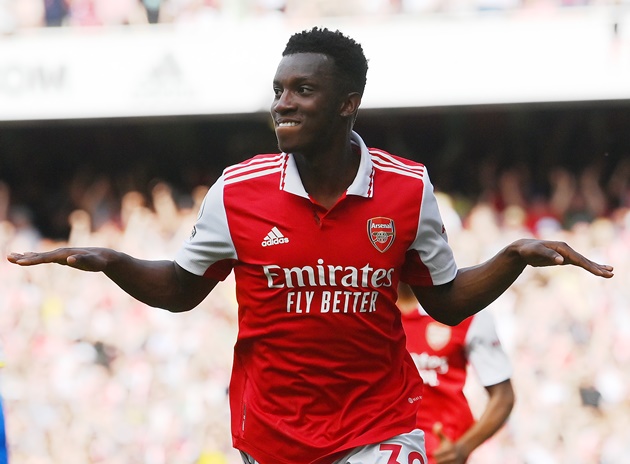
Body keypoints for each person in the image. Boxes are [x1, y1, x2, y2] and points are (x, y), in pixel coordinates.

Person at [7, 27, 614, 464]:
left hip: (380, 427)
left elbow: (446, 302)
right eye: (278, 89)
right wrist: (112, 261)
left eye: (302, 90)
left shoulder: (407, 188)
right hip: (272, 437)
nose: (282, 103)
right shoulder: (237, 191)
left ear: (348, 103)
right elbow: (179, 291)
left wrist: (511, 259)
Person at [398, 283, 514, 464]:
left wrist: (463, 447)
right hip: (378, 449)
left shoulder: (467, 312)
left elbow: (503, 395)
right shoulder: (367, 310)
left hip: (438, 454)